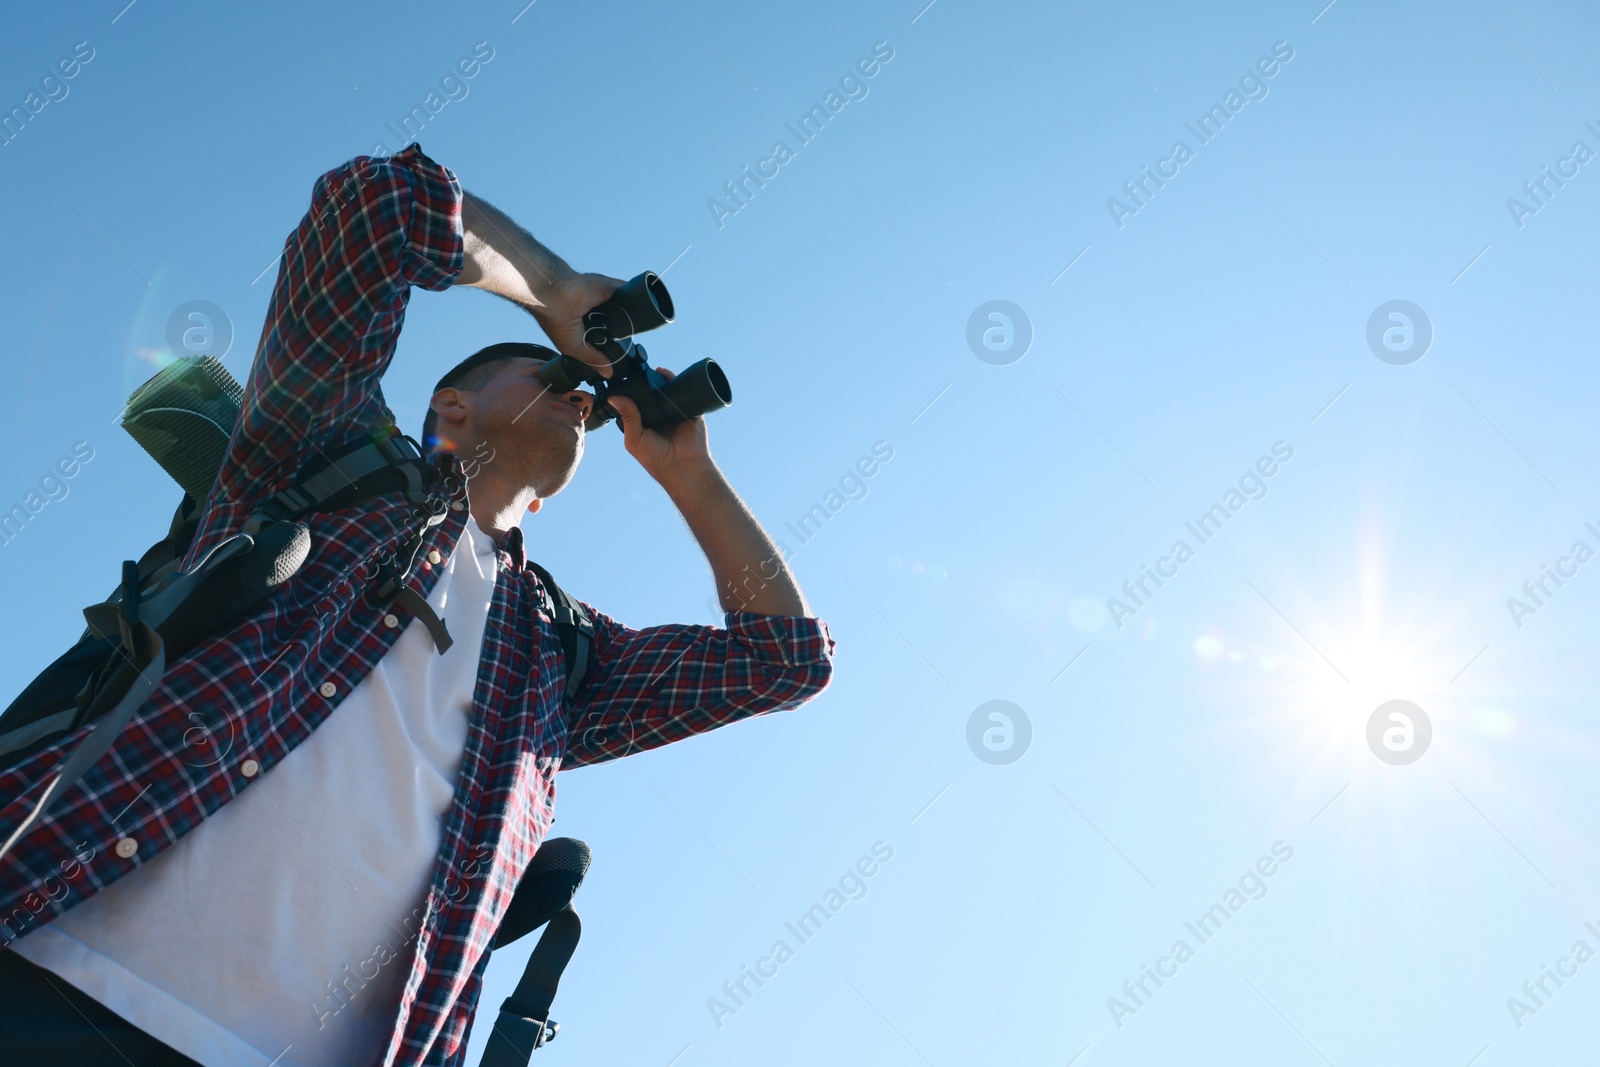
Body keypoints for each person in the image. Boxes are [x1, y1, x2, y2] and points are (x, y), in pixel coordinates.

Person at [0, 144, 835, 1066]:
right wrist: (558, 297)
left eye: (591, 410)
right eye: (557, 380)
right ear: (451, 406)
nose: (581, 404)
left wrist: (691, 475)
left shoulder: (558, 652)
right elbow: (377, 207)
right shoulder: (328, 460)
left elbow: (784, 661)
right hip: (51, 975)